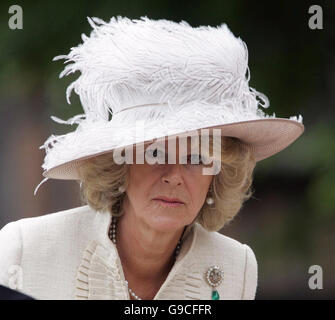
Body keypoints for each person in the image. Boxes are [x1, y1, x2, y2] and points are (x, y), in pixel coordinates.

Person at [0, 16, 304, 300]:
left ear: (217, 174)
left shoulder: (236, 267)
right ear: (120, 165)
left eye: (197, 158)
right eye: (155, 152)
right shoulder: (24, 249)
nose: (174, 175)